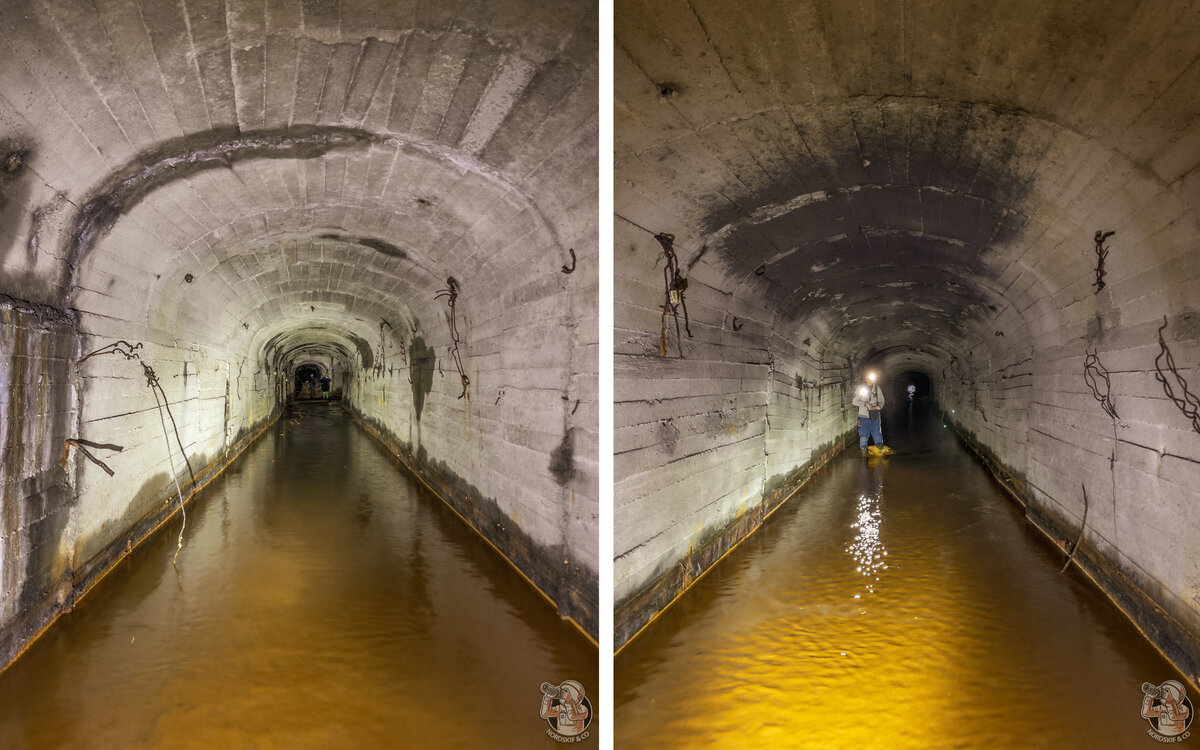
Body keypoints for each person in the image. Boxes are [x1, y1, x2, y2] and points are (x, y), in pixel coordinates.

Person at [852, 371, 892, 456]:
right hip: (863, 416)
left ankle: (880, 452)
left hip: (874, 415)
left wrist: (879, 406)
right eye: (869, 378)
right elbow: (854, 401)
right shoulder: (860, 388)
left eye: (872, 378)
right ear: (866, 378)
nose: (871, 380)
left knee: (876, 433)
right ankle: (863, 453)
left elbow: (882, 400)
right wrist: (865, 404)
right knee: (863, 435)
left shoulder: (877, 388)